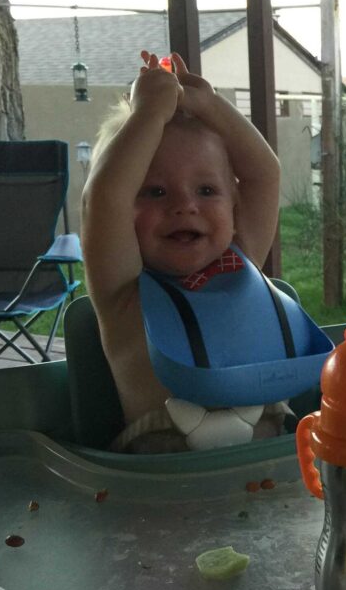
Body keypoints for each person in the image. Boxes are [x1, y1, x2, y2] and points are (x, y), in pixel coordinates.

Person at [82, 51, 284, 453]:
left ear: (235, 204)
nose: (185, 206)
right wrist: (147, 116)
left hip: (273, 477)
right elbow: (104, 199)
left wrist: (206, 103)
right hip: (160, 494)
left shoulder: (240, 266)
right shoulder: (122, 291)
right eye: (155, 191)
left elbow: (265, 174)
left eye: (207, 191)